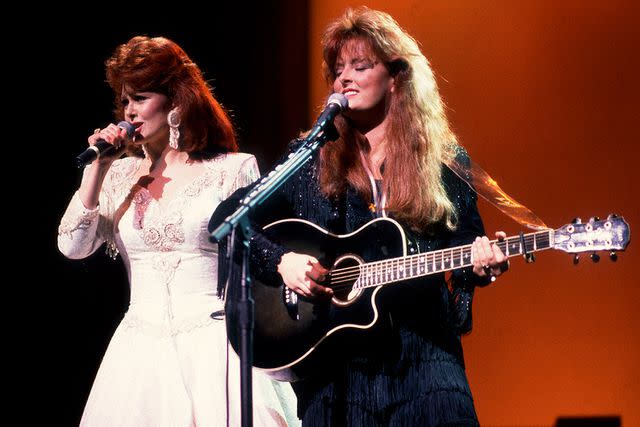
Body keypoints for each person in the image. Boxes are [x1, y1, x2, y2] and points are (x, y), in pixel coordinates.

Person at [210, 7, 510, 427]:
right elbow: (228, 218)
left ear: (395, 77)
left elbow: (468, 251)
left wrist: (478, 270)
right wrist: (283, 262)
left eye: (359, 66)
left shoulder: (444, 162)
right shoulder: (312, 158)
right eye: (337, 70)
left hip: (424, 362)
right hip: (337, 375)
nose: (343, 78)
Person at [57, 36, 300, 426]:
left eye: (140, 98)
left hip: (214, 346)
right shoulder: (118, 176)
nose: (129, 112)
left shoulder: (231, 168)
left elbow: (261, 254)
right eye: (124, 101)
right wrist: (97, 168)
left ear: (175, 100)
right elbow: (72, 246)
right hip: (138, 354)